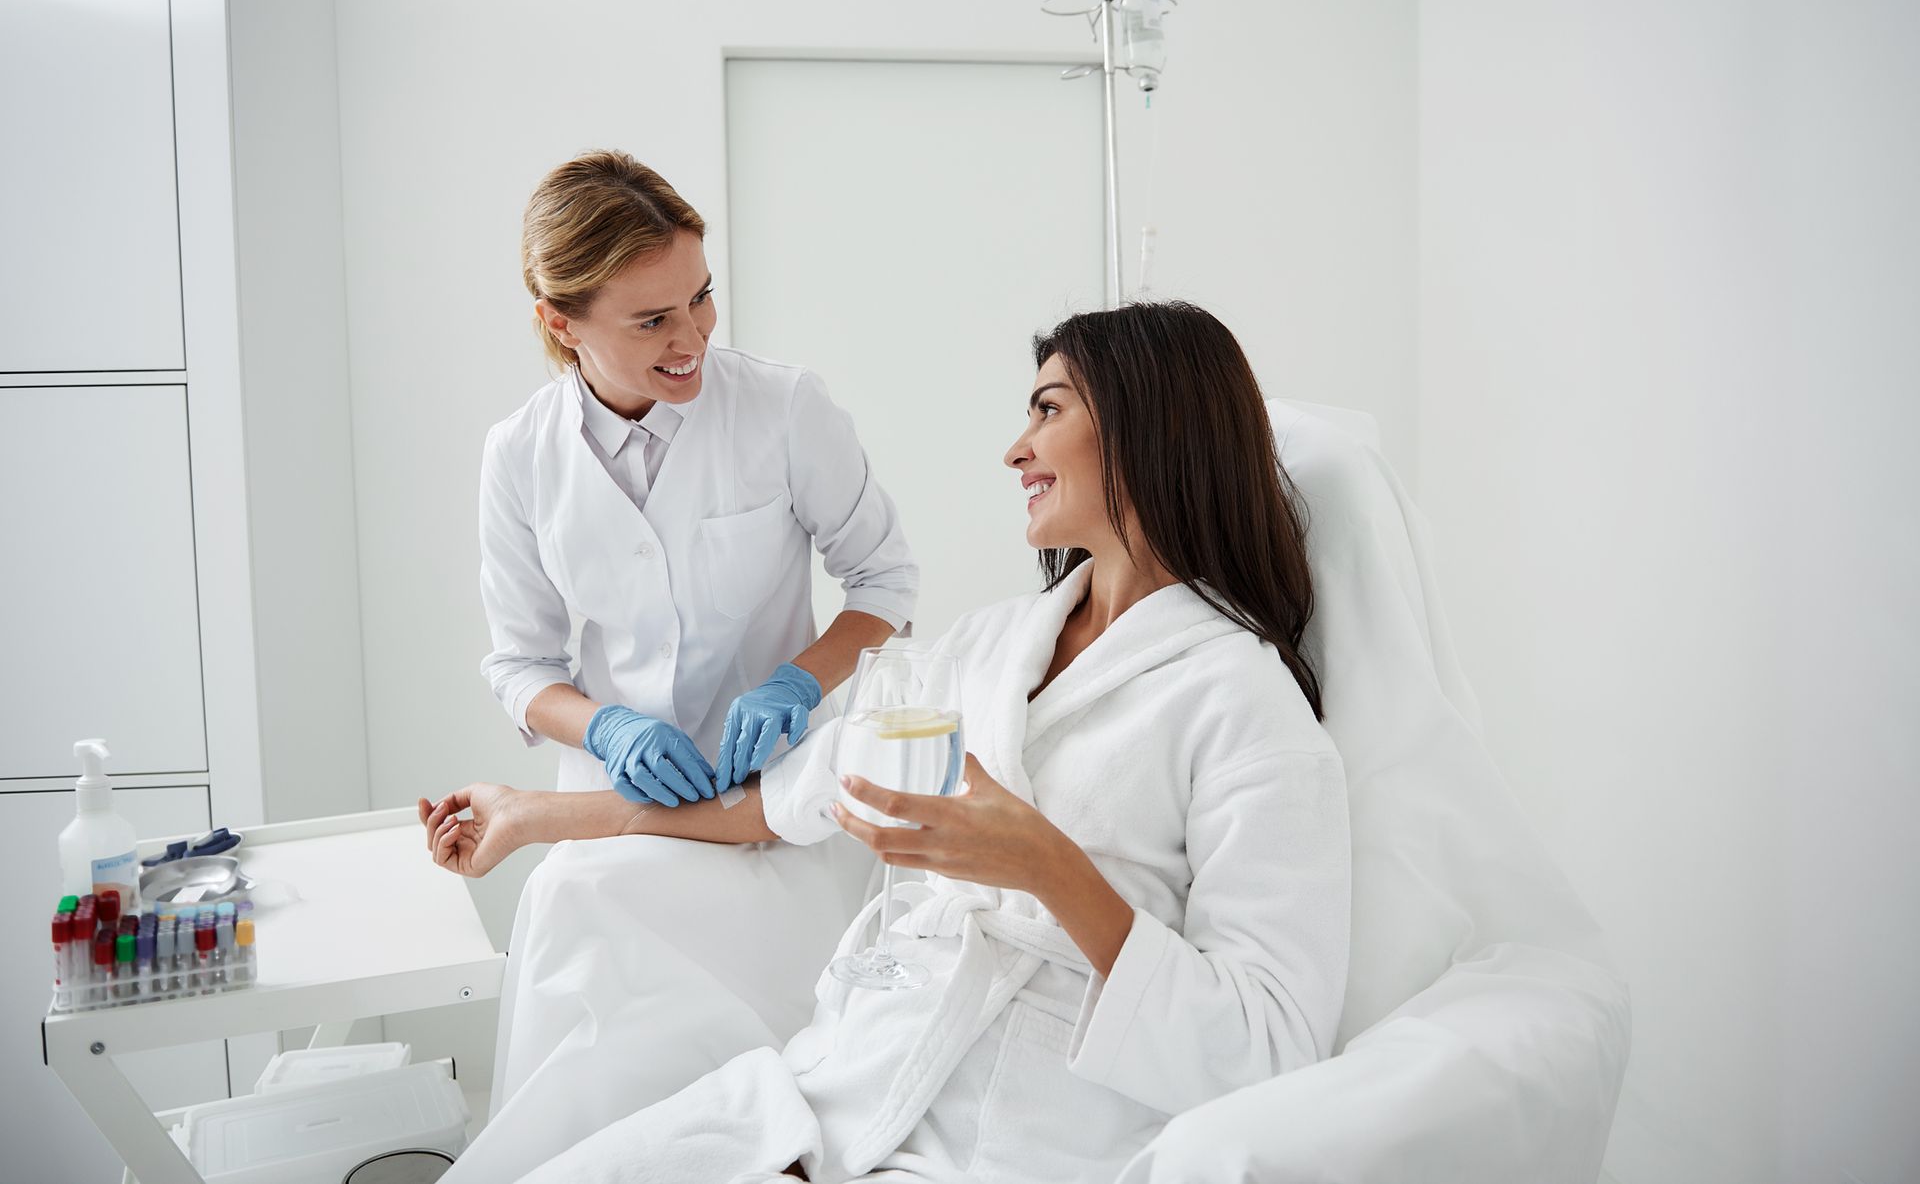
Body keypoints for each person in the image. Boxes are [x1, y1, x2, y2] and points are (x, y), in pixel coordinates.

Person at [426, 302, 1351, 1183]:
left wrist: (1046, 867)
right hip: (839, 1085)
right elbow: (775, 805)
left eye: (1048, 409)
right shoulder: (988, 648)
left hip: (1021, 1132)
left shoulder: (1244, 701)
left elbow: (1270, 1047)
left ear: (1148, 427)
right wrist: (533, 814)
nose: (1014, 448)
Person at [478, 149, 916, 800]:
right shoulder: (519, 453)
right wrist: (607, 730)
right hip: (612, 800)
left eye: (701, 297)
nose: (694, 338)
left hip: (783, 787)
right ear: (561, 322)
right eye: (653, 321)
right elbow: (522, 665)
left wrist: (798, 683)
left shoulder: (785, 407)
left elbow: (883, 581)